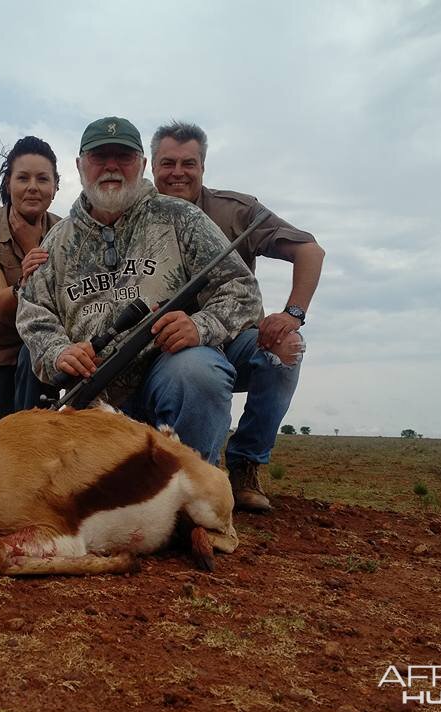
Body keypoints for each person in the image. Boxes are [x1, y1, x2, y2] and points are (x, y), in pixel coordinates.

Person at [16, 116, 261, 465]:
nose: (112, 167)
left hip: (166, 373)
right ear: (80, 165)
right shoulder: (58, 239)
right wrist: (59, 351)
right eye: (100, 157)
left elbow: (241, 288)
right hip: (91, 392)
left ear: (142, 164)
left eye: (124, 157)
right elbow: (33, 311)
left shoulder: (182, 219)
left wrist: (200, 326)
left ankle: (193, 492)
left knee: (198, 371)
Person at [150, 121, 325, 511]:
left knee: (286, 349)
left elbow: (310, 250)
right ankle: (194, 478)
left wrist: (292, 313)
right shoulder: (139, 214)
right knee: (193, 370)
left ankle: (246, 464)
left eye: (188, 163)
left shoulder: (236, 210)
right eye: (168, 163)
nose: (178, 173)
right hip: (170, 351)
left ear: (203, 167)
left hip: (235, 341)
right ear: (152, 167)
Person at [0, 136, 61, 429]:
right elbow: (2, 303)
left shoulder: (64, 231)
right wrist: (31, 264)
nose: (33, 187)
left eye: (43, 179)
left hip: (41, 352)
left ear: (55, 187)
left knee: (35, 446)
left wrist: (32, 245)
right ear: (8, 184)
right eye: (23, 178)